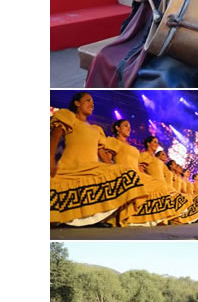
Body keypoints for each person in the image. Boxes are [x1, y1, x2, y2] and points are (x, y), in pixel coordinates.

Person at [50, 93, 142, 225]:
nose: (92, 104)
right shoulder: (68, 116)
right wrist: (50, 159)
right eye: (88, 100)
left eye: (93, 102)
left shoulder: (96, 129)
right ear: (77, 103)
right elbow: (55, 136)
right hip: (72, 166)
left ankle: (100, 218)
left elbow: (103, 154)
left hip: (93, 167)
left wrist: (112, 169)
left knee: (127, 173)